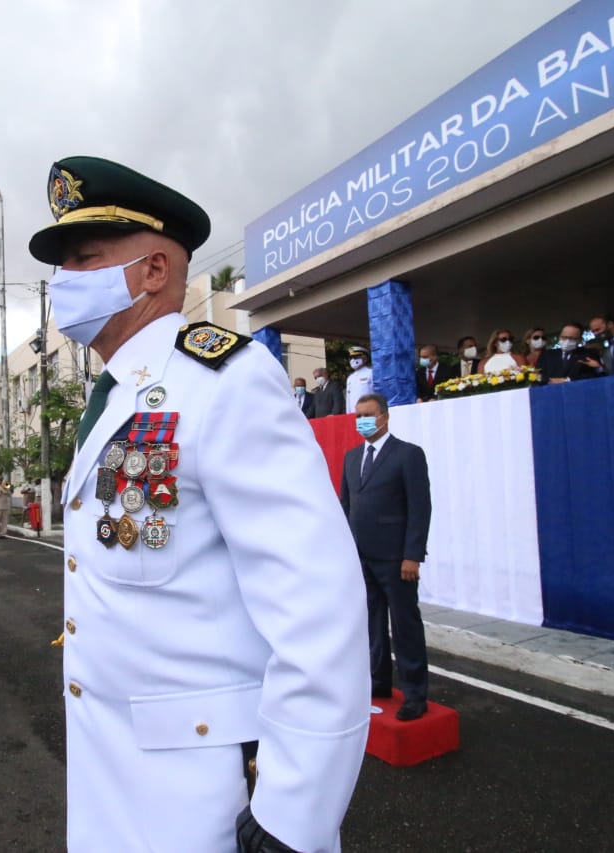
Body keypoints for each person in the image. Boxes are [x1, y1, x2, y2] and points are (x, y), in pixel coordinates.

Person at [29, 155, 369, 853]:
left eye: (85, 259)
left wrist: (294, 815)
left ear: (154, 271)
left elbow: (316, 608)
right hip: (109, 776)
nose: (64, 284)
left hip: (202, 794)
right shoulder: (114, 399)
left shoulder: (224, 381)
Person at [340, 393, 432, 722]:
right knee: (372, 623)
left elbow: (420, 509)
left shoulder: (408, 454)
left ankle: (415, 694)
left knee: (405, 625)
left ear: (384, 417)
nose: (362, 421)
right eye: (358, 416)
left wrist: (413, 555)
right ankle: (379, 681)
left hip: (396, 559)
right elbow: (346, 507)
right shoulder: (352, 457)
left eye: (368, 415)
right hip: (361, 557)